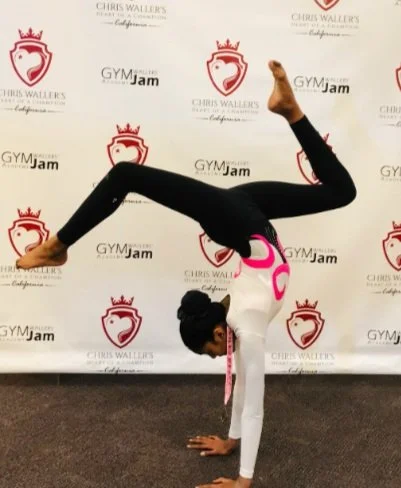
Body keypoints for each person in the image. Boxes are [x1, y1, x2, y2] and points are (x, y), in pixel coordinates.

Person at [16, 61, 357, 488]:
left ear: (217, 333)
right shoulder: (241, 319)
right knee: (341, 192)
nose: (218, 359)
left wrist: (243, 482)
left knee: (126, 174)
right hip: (246, 213)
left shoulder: (245, 322)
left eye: (212, 354)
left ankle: (58, 245)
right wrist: (231, 443)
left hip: (235, 218)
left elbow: (253, 403)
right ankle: (291, 112)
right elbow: (247, 388)